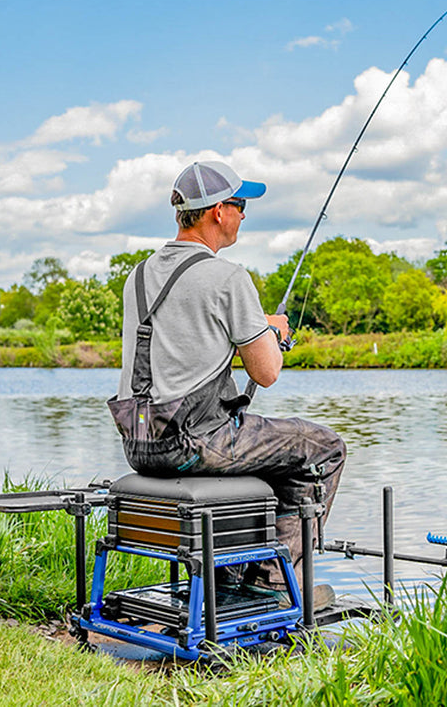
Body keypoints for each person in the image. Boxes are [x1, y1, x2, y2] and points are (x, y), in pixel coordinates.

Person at [108, 160, 345, 601]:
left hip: (140, 443)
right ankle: (276, 584)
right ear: (217, 211)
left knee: (270, 450)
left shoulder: (137, 277)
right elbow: (266, 373)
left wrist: (253, 328)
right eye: (240, 206)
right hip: (194, 443)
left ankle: (231, 578)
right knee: (323, 448)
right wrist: (271, 332)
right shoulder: (227, 276)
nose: (243, 215)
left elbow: (188, 344)